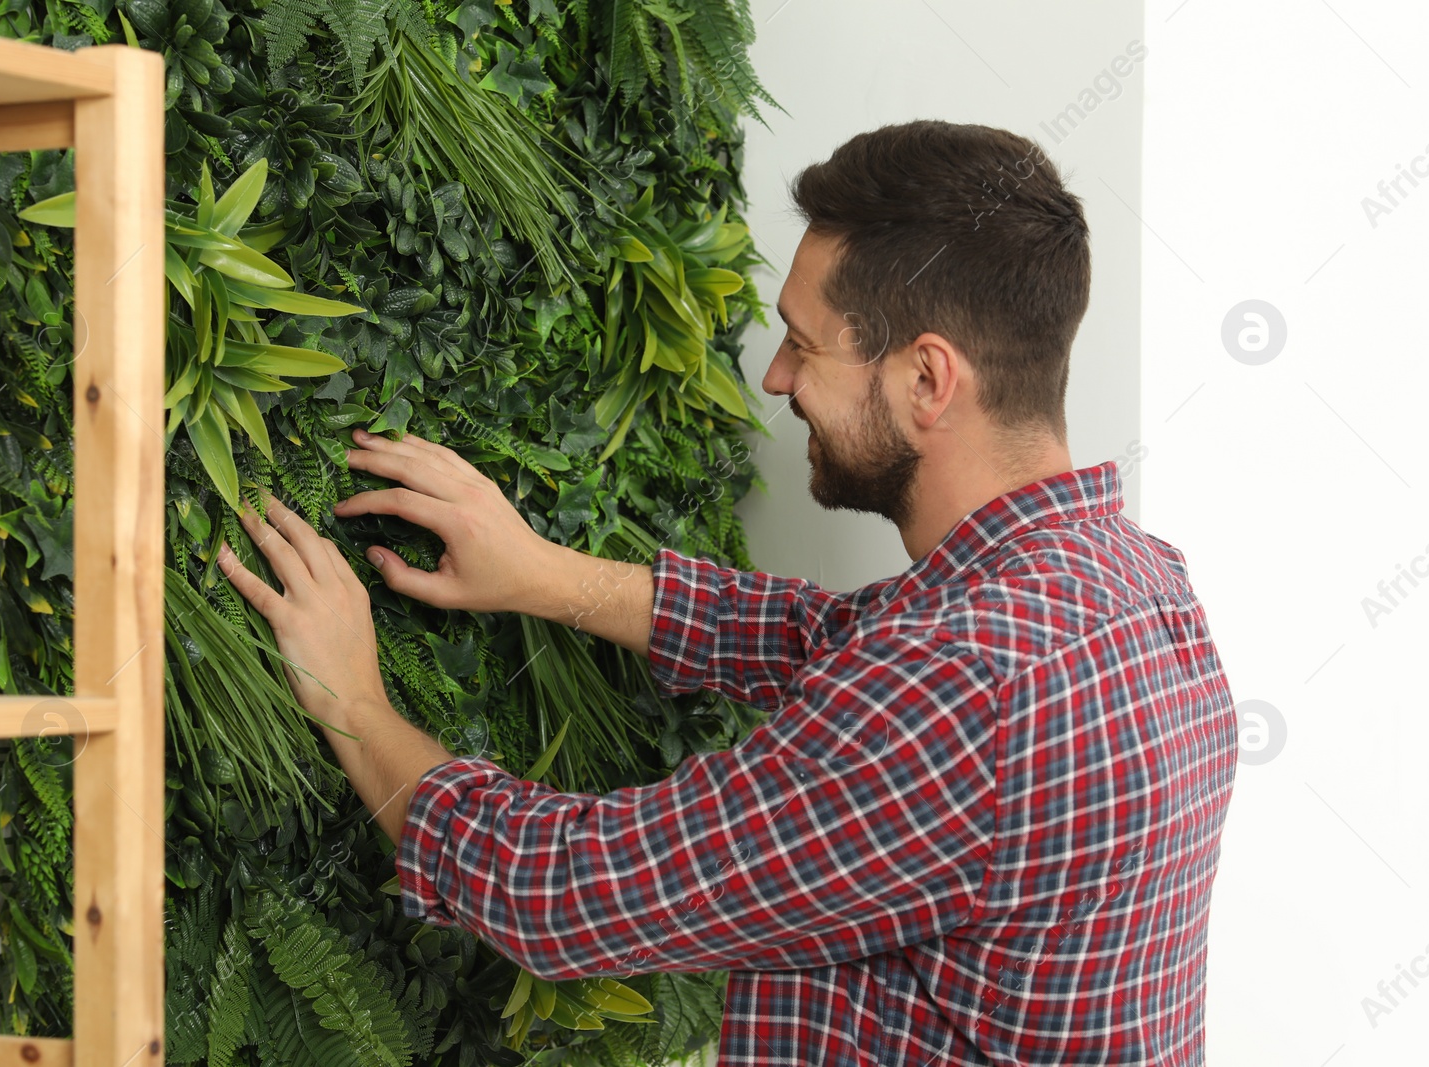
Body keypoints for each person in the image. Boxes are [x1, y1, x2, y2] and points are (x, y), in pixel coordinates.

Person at [215, 119, 1239, 1066]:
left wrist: (351, 698)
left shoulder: (961, 686)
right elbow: (822, 635)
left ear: (928, 379)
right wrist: (544, 573)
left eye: (806, 341)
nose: (778, 377)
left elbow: (562, 895)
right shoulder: (1133, 585)